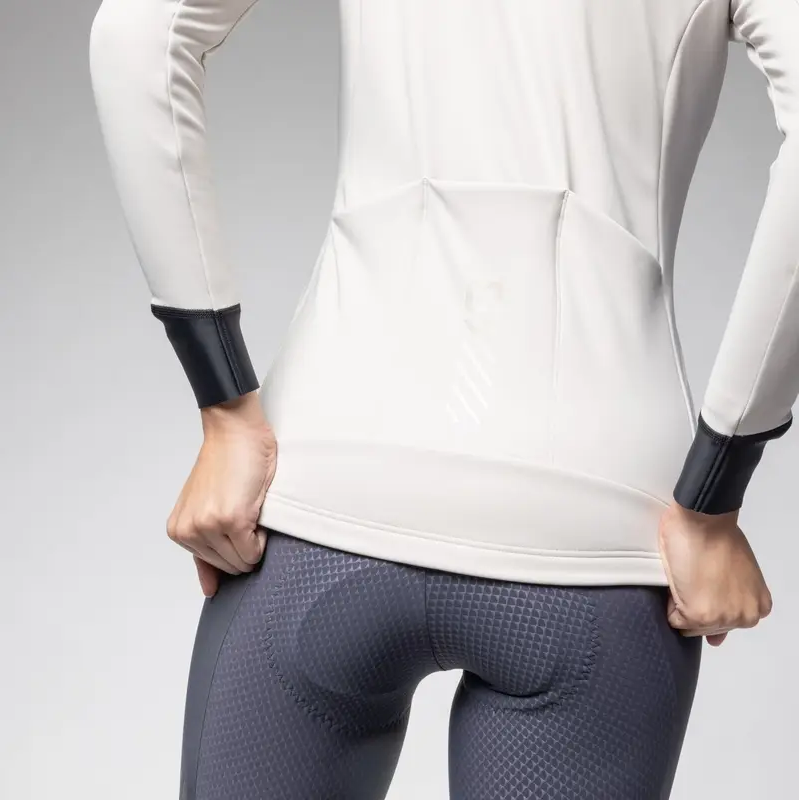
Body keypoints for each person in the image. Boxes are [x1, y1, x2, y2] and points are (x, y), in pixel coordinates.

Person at [87, 0, 795, 797]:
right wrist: (715, 490)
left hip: (324, 486)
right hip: (596, 525)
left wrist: (224, 409)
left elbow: (138, 34)